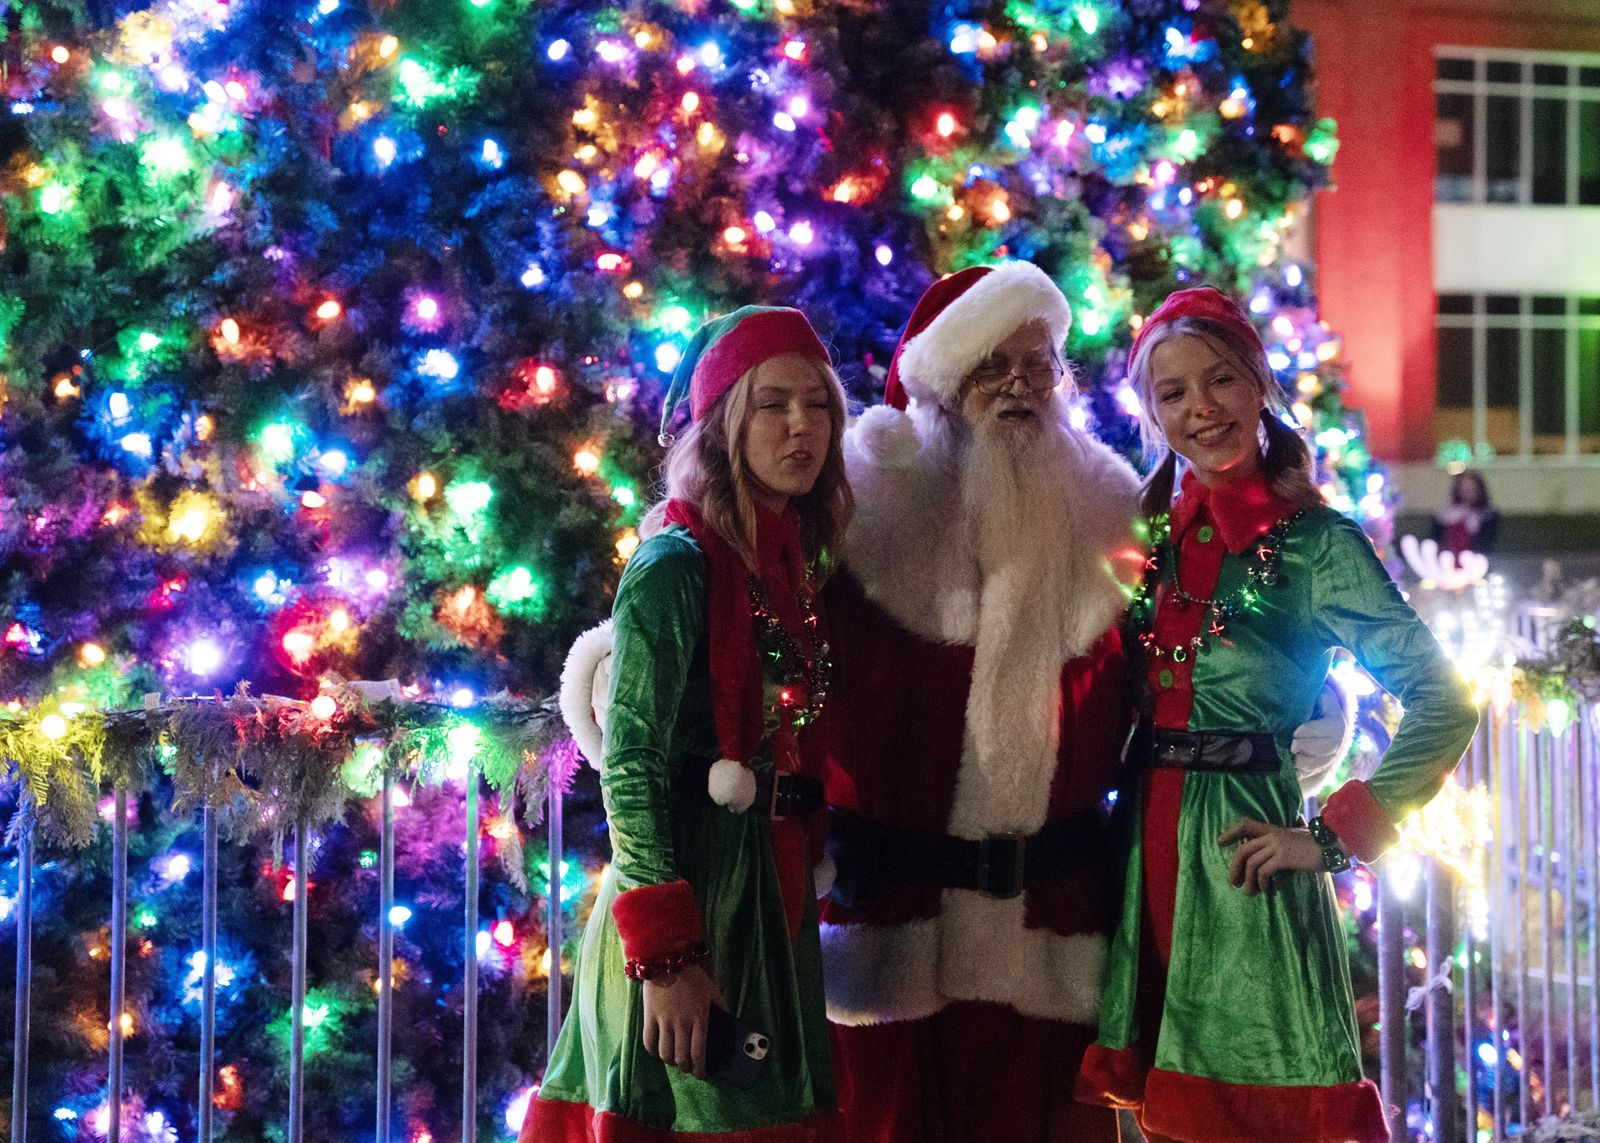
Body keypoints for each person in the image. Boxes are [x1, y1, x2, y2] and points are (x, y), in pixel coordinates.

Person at [1074, 287, 1480, 1143]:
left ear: (1259, 384)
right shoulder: (1141, 535)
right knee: (1144, 1113)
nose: (1201, 409)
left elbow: (1442, 697)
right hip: (1138, 854)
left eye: (1220, 380)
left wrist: (1333, 834)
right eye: (1173, 393)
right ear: (1150, 410)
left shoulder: (1315, 545)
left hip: (1241, 864)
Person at [816, 261, 1146, 1143]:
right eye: (989, 367)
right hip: (890, 940)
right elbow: (745, 612)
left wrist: (1281, 714)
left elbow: (1189, 663)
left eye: (1037, 365)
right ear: (941, 385)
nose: (1017, 388)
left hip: (1055, 941)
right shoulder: (855, 515)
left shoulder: (1114, 515)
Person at [525, 307, 850, 1142]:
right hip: (694, 904)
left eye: (817, 405)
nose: (801, 426)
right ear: (727, 420)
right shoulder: (676, 563)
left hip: (765, 898)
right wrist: (666, 957)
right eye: (774, 404)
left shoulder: (785, 560)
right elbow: (629, 765)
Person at [1433, 469, 1499, 555]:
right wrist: (1442, 522)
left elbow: (1488, 546)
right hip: (1447, 560)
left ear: (1479, 490)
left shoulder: (1489, 516)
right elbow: (1435, 541)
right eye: (1464, 490)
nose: (1467, 494)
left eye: (1471, 490)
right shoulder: (1447, 514)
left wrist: (1474, 529)